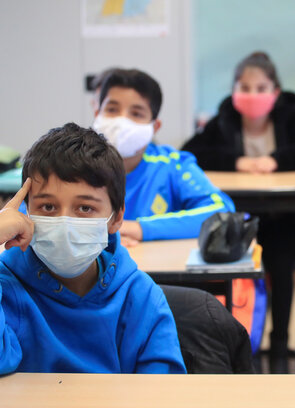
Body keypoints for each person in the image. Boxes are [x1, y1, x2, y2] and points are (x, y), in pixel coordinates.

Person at [0, 123, 186, 374]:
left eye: (85, 208)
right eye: (47, 207)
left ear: (117, 217)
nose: (64, 223)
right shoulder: (7, 286)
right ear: (25, 211)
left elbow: (162, 393)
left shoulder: (140, 298)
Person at [182, 52, 295, 373]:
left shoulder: (291, 118)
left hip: (285, 220)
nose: (252, 94)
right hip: (238, 220)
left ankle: (280, 344)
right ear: (233, 89)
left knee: (281, 263)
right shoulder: (224, 120)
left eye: (261, 87)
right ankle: (243, 345)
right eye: (244, 86)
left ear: (275, 91)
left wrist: (278, 160)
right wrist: (235, 162)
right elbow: (191, 152)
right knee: (233, 269)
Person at [92, 68, 235, 247]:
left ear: (155, 126)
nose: (122, 121)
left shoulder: (172, 165)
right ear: (97, 113)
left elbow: (221, 211)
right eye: (112, 109)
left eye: (136, 114)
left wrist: (139, 229)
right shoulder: (74, 165)